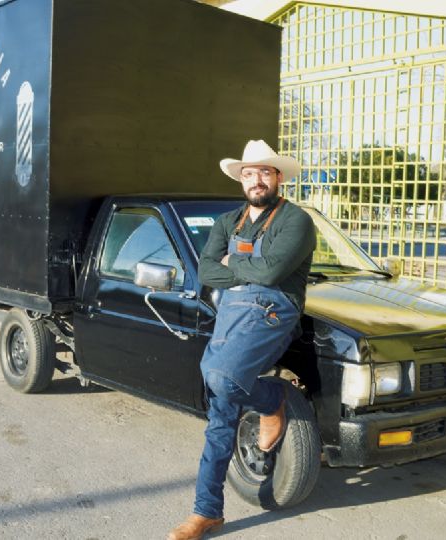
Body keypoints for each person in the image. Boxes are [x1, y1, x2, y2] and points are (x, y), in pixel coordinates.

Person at [168, 140, 316, 540]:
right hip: (232, 311)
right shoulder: (227, 222)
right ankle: (207, 513)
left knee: (219, 378)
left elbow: (271, 276)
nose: (257, 180)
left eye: (265, 172)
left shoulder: (296, 221)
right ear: (241, 179)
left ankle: (273, 400)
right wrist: (244, 269)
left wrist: (234, 265)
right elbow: (205, 272)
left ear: (278, 177)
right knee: (220, 408)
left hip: (273, 311)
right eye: (249, 173)